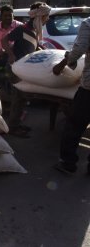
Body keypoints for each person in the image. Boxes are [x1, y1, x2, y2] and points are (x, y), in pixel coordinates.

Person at [1, 1, 51, 138]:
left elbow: (31, 46)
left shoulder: (34, 31)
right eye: (46, 16)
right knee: (18, 97)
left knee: (22, 98)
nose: (48, 18)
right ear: (39, 17)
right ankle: (12, 127)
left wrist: (42, 50)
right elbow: (4, 41)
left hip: (24, 69)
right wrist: (11, 55)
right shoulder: (22, 29)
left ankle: (15, 124)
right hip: (15, 68)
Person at [52, 17, 90, 175]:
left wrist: (64, 62)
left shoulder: (88, 23)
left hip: (89, 88)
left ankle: (68, 163)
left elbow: (80, 48)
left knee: (74, 124)